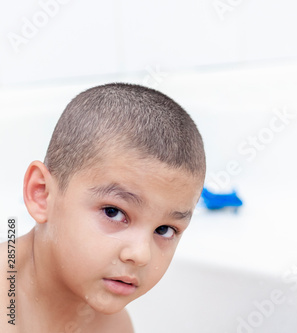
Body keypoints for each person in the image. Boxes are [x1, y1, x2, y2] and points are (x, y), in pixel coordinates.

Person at [0, 83, 206, 332]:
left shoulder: (114, 327)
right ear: (42, 194)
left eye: (165, 230)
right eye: (114, 212)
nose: (141, 255)